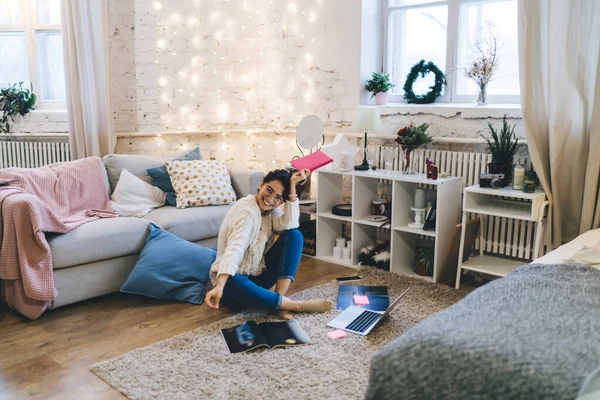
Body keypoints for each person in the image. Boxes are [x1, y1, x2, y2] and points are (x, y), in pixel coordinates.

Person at [205, 168, 332, 320]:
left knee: (294, 236)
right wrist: (219, 286)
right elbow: (235, 248)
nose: (270, 199)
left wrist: (292, 185)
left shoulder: (270, 211)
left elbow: (290, 224)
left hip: (257, 277)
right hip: (232, 285)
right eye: (269, 190)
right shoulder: (246, 211)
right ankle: (294, 305)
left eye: (278, 197)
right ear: (262, 184)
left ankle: (279, 301)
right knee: (234, 279)